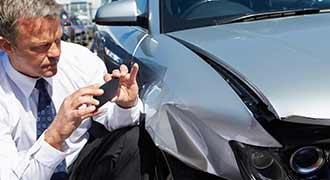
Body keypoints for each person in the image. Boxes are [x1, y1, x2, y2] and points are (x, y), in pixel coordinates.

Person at [0, 0, 143, 180]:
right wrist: (54, 136)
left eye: (58, 40)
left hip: (77, 165)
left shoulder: (79, 60)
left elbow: (111, 119)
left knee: (131, 139)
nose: (55, 53)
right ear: (6, 46)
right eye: (40, 47)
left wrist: (126, 105)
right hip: (24, 173)